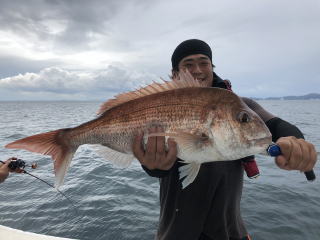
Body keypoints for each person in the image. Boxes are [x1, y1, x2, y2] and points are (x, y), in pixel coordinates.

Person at [132, 39, 317, 240]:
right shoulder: (158, 105)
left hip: (230, 231)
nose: (197, 69)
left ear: (212, 67)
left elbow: (277, 126)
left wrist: (296, 142)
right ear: (175, 74)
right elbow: (157, 168)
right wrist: (153, 168)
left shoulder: (239, 105)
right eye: (188, 64)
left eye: (204, 62)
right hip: (175, 232)